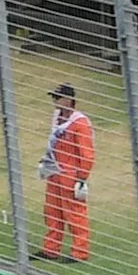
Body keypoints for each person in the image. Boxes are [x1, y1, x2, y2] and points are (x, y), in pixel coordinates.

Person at [37, 82, 96, 262]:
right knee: (52, 211)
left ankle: (80, 252)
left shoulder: (80, 123)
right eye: (54, 97)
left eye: (58, 97)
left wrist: (82, 178)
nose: (55, 101)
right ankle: (50, 249)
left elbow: (87, 153)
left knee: (75, 214)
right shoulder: (57, 117)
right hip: (54, 170)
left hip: (70, 174)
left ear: (69, 100)